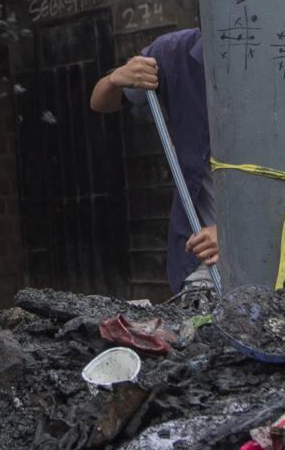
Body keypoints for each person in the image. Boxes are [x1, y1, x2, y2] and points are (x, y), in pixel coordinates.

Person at [89, 27, 219, 294]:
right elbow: (100, 101)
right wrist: (116, 79)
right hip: (205, 252)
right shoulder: (174, 53)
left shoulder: (278, 59)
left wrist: (232, 232)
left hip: (273, 247)